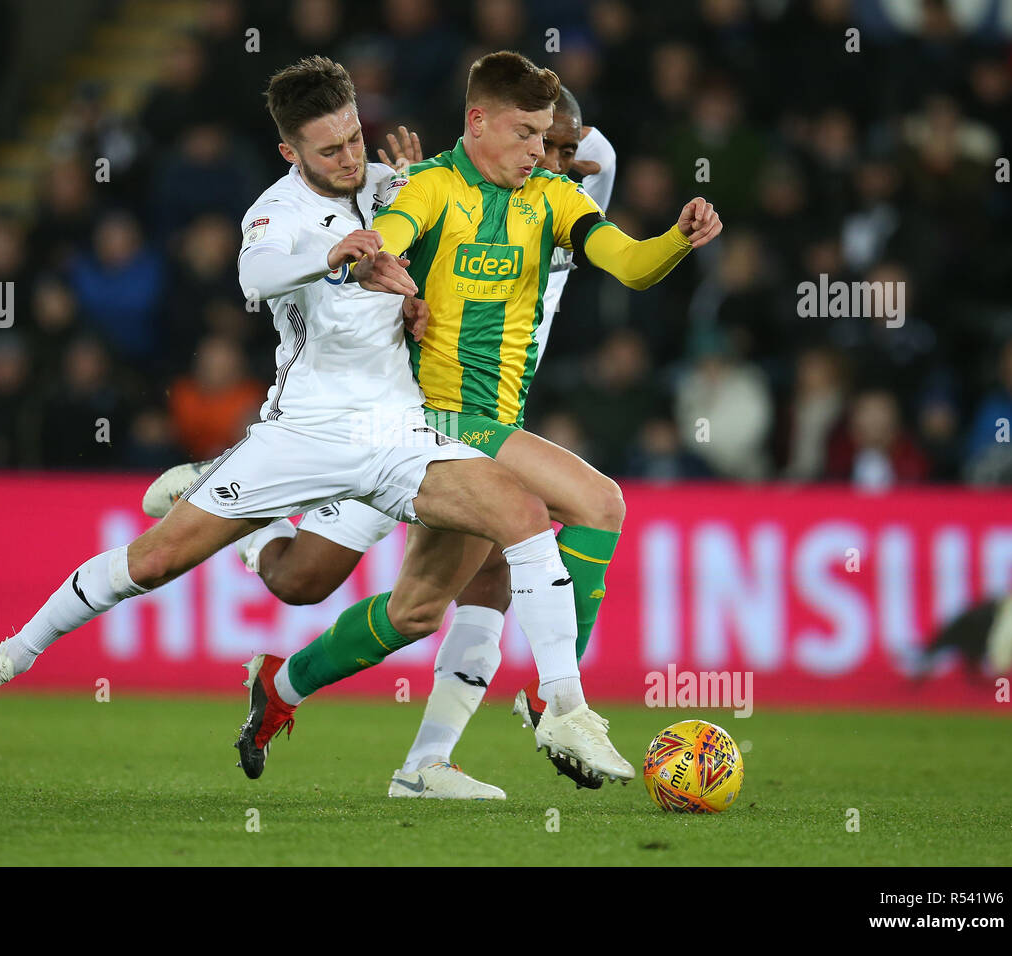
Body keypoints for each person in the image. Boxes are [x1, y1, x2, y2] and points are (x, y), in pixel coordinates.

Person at [0, 56, 633, 794]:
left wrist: (419, 289)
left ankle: (544, 714)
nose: (350, 157)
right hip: (304, 432)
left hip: (402, 432)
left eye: (355, 138)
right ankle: (14, 653)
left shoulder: (405, 184)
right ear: (290, 154)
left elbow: (461, 223)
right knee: (203, 569)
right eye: (329, 150)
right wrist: (335, 256)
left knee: (515, 516)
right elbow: (258, 276)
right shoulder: (274, 213)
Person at [145, 53, 721, 795]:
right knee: (591, 503)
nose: (550, 158)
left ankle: (323, 710)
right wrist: (381, 240)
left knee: (420, 606)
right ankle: (555, 701)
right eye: (537, 141)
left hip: (492, 418)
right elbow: (379, 239)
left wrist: (677, 234)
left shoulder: (560, 195)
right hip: (422, 419)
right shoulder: (440, 189)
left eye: (562, 147)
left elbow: (630, 253)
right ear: (486, 125)